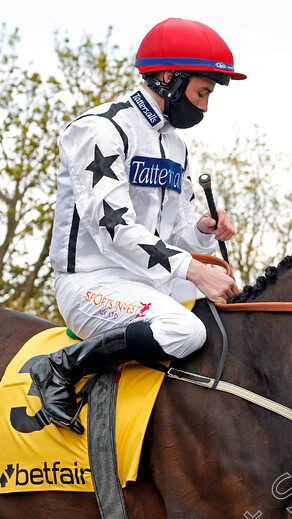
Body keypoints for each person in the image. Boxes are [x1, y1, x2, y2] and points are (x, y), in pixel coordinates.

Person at [30, 18, 244, 434]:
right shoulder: (99, 129)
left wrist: (202, 229)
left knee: (232, 316)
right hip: (92, 282)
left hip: (147, 282)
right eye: (202, 93)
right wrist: (193, 269)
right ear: (168, 77)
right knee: (185, 331)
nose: (204, 106)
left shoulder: (176, 146)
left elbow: (173, 233)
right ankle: (58, 367)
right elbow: (114, 229)